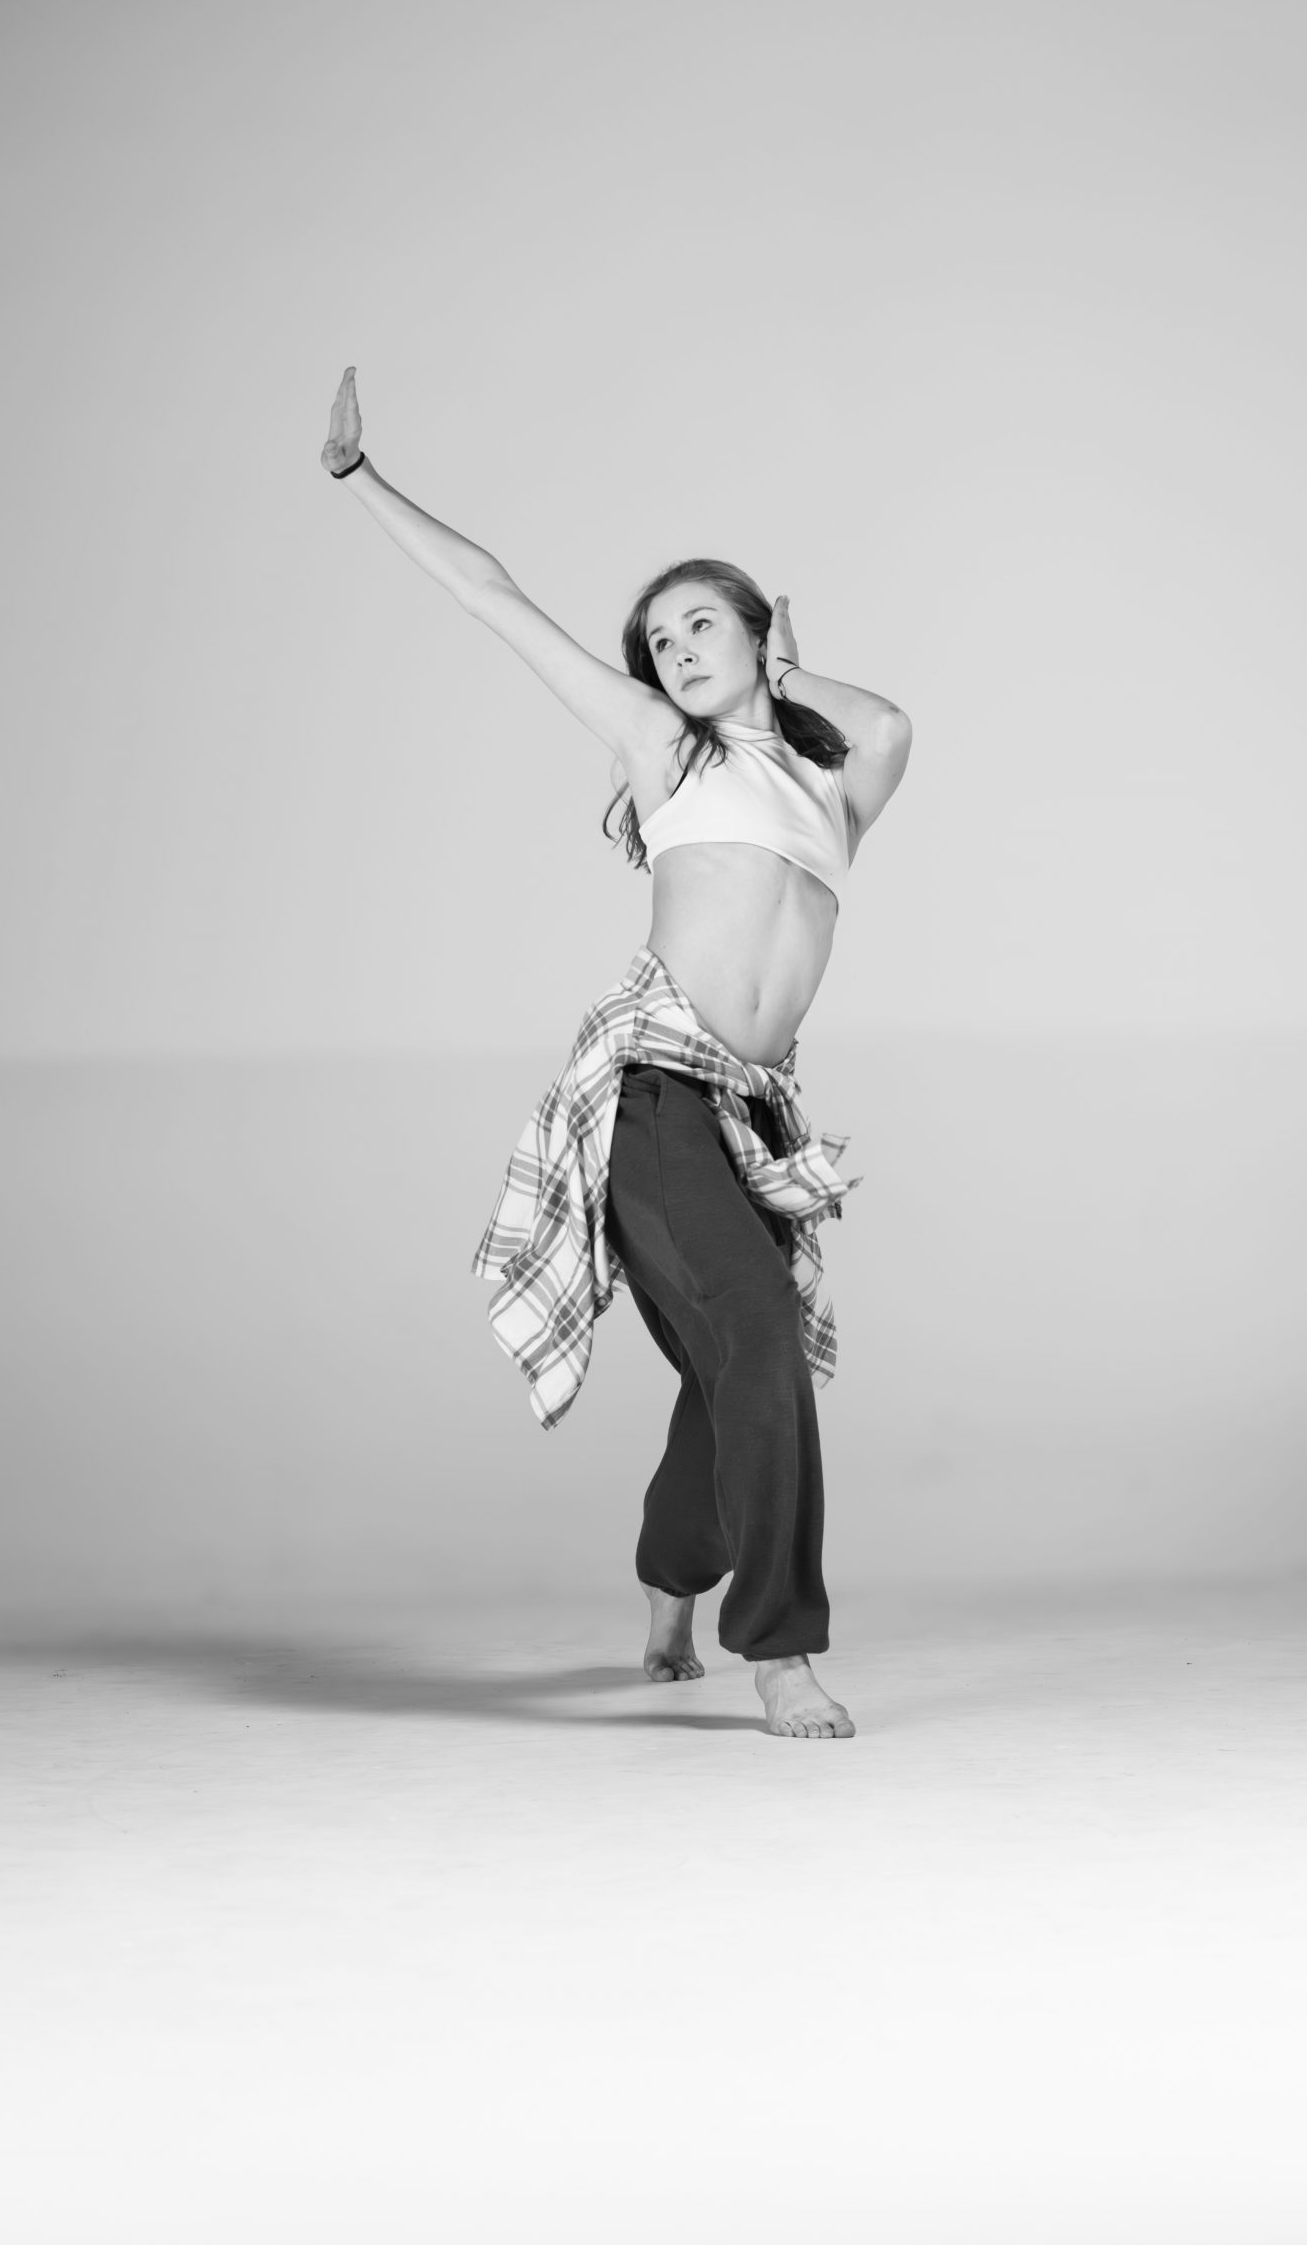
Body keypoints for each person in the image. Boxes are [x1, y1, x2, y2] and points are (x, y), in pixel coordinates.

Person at [322, 367, 912, 1738]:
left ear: (759, 631)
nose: (677, 651)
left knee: (732, 1366)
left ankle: (667, 1580)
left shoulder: (831, 790)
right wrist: (362, 479)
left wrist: (786, 673)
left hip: (748, 1118)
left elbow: (885, 725)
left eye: (703, 623)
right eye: (659, 638)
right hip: (651, 1098)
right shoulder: (669, 755)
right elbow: (493, 596)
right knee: (755, 1333)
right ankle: (782, 1654)